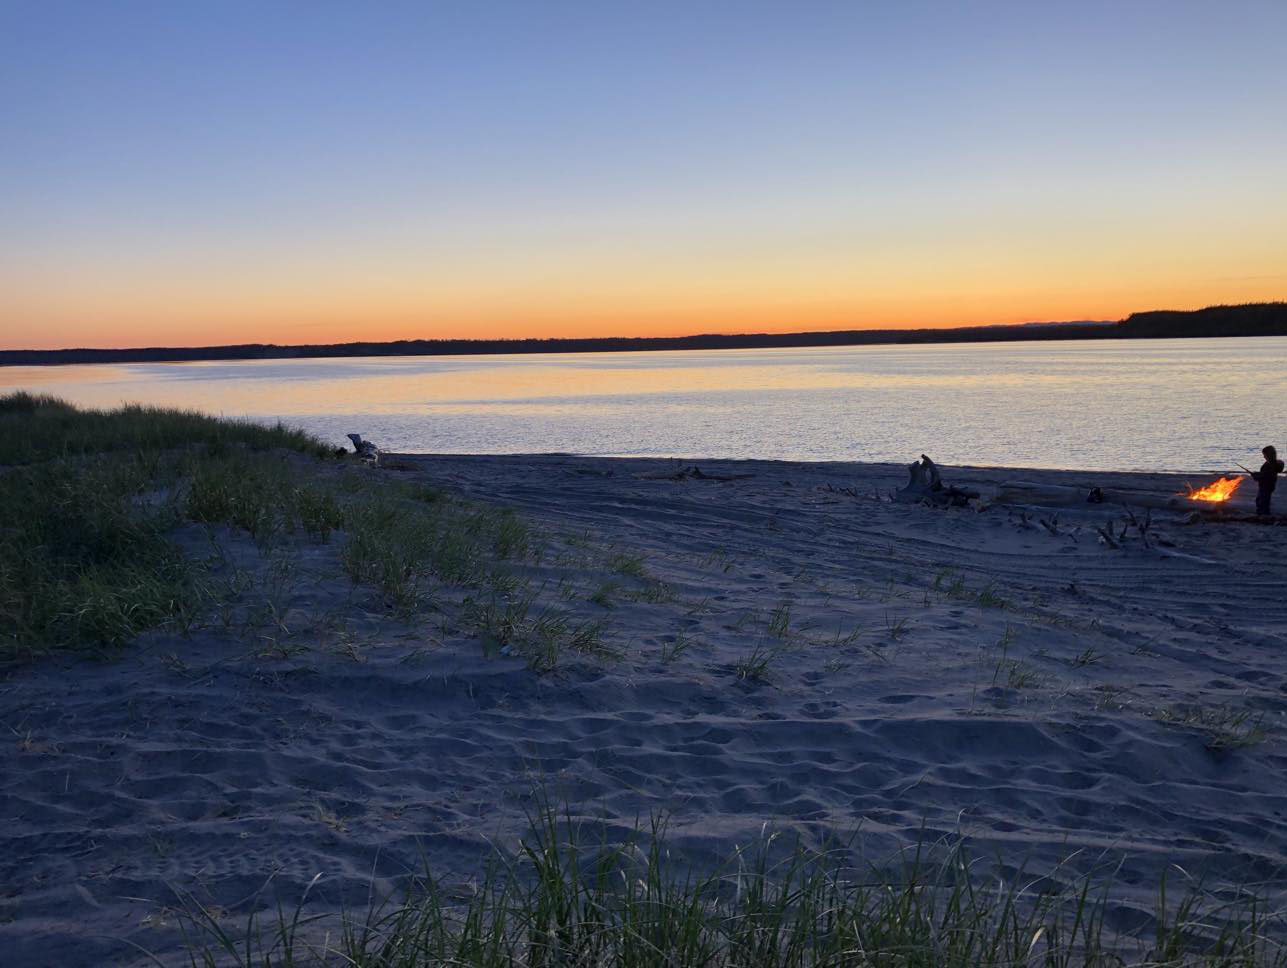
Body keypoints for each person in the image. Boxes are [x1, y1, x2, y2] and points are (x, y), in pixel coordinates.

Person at [1251, 445, 1285, 516]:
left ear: (1269, 455)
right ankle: (1263, 514)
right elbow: (1264, 474)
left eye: (1264, 455)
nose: (1264, 457)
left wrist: (1255, 476)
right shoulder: (1273, 463)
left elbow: (1264, 476)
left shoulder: (1270, 465)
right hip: (1268, 485)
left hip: (1266, 486)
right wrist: (1258, 474)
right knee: (1261, 500)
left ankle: (1264, 515)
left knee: (1262, 502)